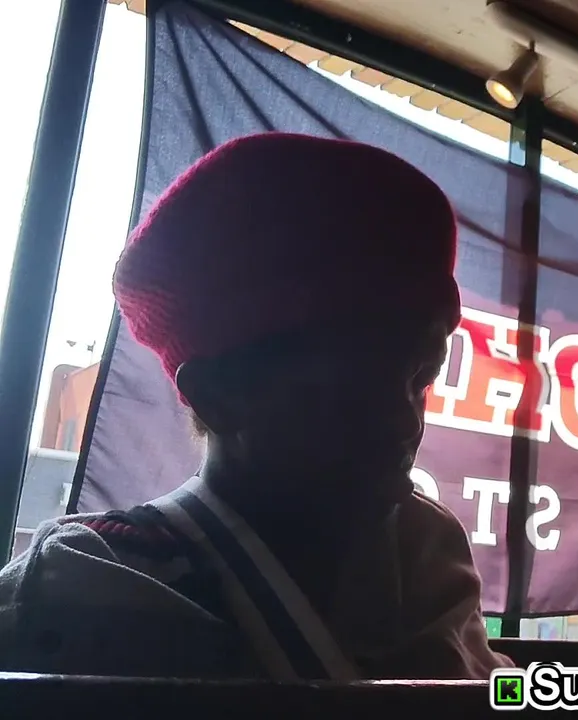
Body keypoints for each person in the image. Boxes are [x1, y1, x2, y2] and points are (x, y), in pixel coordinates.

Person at [0, 132, 512, 680]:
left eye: (421, 379)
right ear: (218, 394)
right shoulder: (82, 585)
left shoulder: (425, 551)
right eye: (355, 389)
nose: (405, 421)